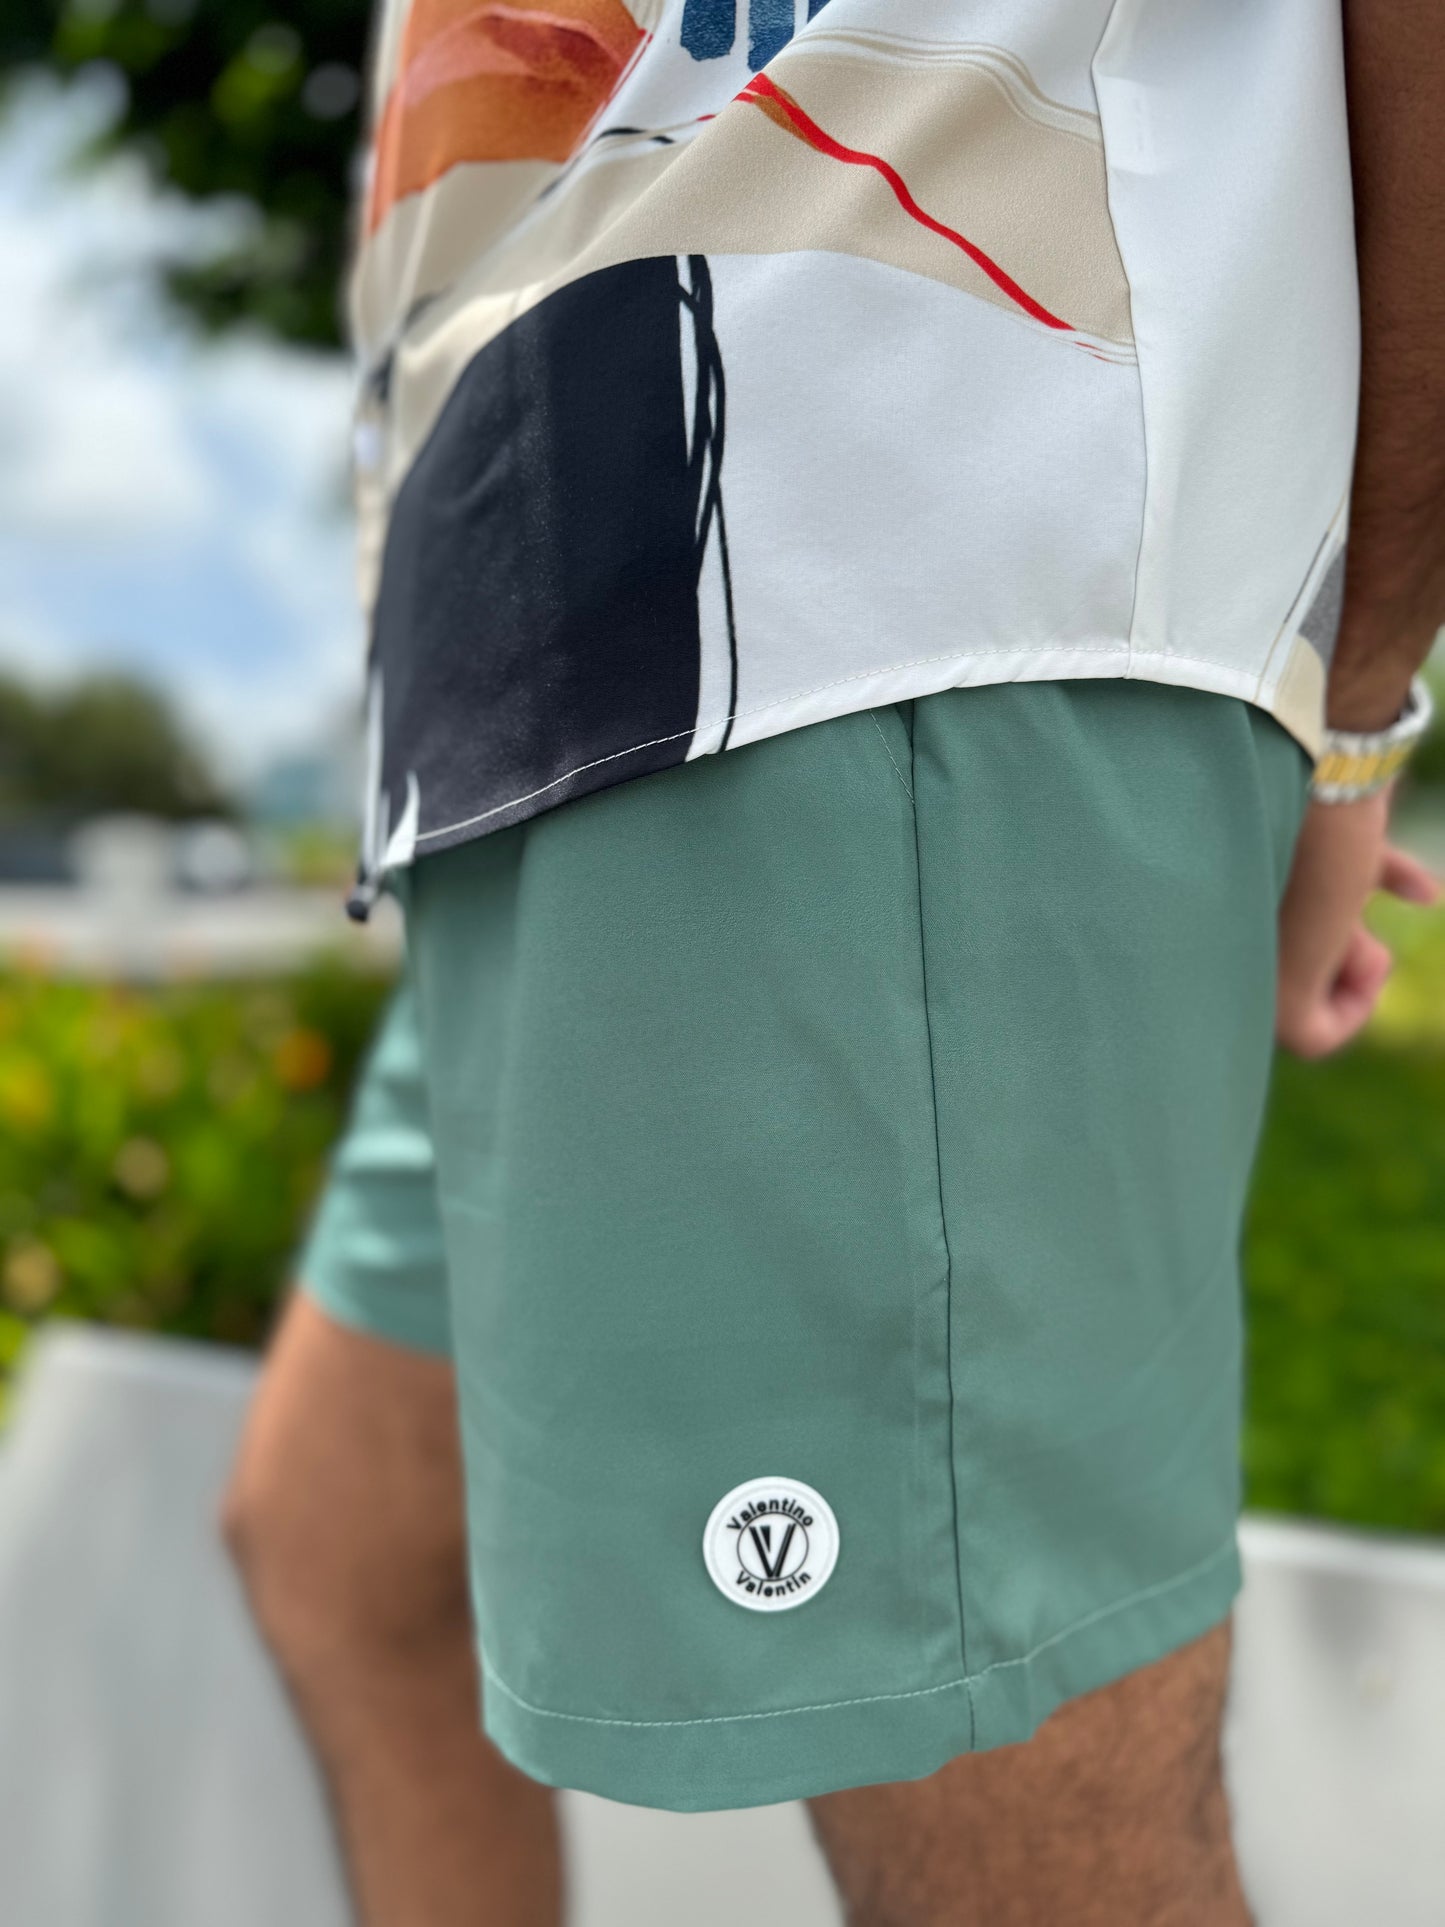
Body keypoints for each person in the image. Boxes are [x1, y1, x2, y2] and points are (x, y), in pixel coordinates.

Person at [223, 0, 1443, 1920]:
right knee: (334, 1545)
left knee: (989, 1817)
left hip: (869, 549)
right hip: (526, 622)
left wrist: (1350, 698)